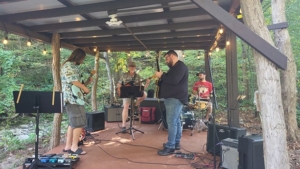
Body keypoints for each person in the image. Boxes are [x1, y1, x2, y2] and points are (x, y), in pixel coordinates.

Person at [155, 50, 188, 156]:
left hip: (175, 98)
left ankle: (170, 146)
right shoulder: (175, 68)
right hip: (174, 98)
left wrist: (162, 76)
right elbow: (170, 80)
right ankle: (176, 143)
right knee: (176, 121)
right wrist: (162, 78)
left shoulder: (180, 67)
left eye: (166, 58)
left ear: (173, 56)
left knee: (172, 122)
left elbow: (174, 80)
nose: (166, 61)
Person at [61, 48, 92, 155]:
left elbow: (77, 84)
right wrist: (85, 88)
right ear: (78, 57)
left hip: (73, 98)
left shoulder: (73, 66)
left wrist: (86, 83)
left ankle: (68, 146)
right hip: (72, 99)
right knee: (79, 123)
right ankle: (74, 147)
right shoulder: (68, 65)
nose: (83, 60)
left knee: (72, 123)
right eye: (82, 58)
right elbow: (73, 81)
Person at [117, 61, 150, 133]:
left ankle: (136, 104)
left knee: (145, 94)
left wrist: (147, 83)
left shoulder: (138, 76)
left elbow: (142, 88)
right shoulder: (124, 75)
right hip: (127, 93)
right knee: (126, 106)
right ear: (128, 67)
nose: (132, 68)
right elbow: (119, 84)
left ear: (135, 68)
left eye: (133, 66)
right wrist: (119, 87)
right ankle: (123, 126)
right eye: (131, 66)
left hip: (135, 93)